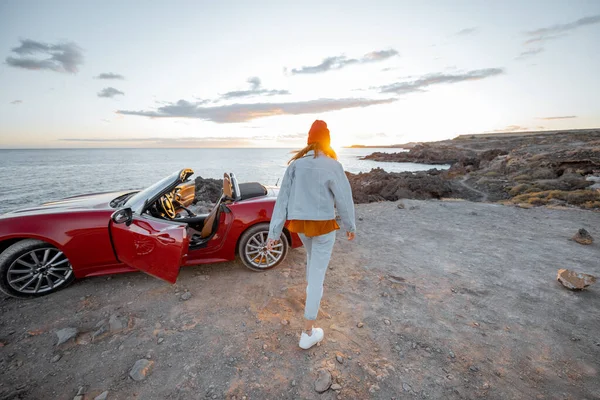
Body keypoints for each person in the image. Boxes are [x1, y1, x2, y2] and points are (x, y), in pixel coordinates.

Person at [267, 120, 356, 350]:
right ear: (327, 140)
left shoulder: (296, 165)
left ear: (309, 140)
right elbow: (344, 199)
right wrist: (350, 226)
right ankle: (308, 332)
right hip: (324, 227)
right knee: (317, 273)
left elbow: (282, 200)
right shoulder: (333, 165)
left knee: (312, 263)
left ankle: (311, 295)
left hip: (302, 226)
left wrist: (274, 233)